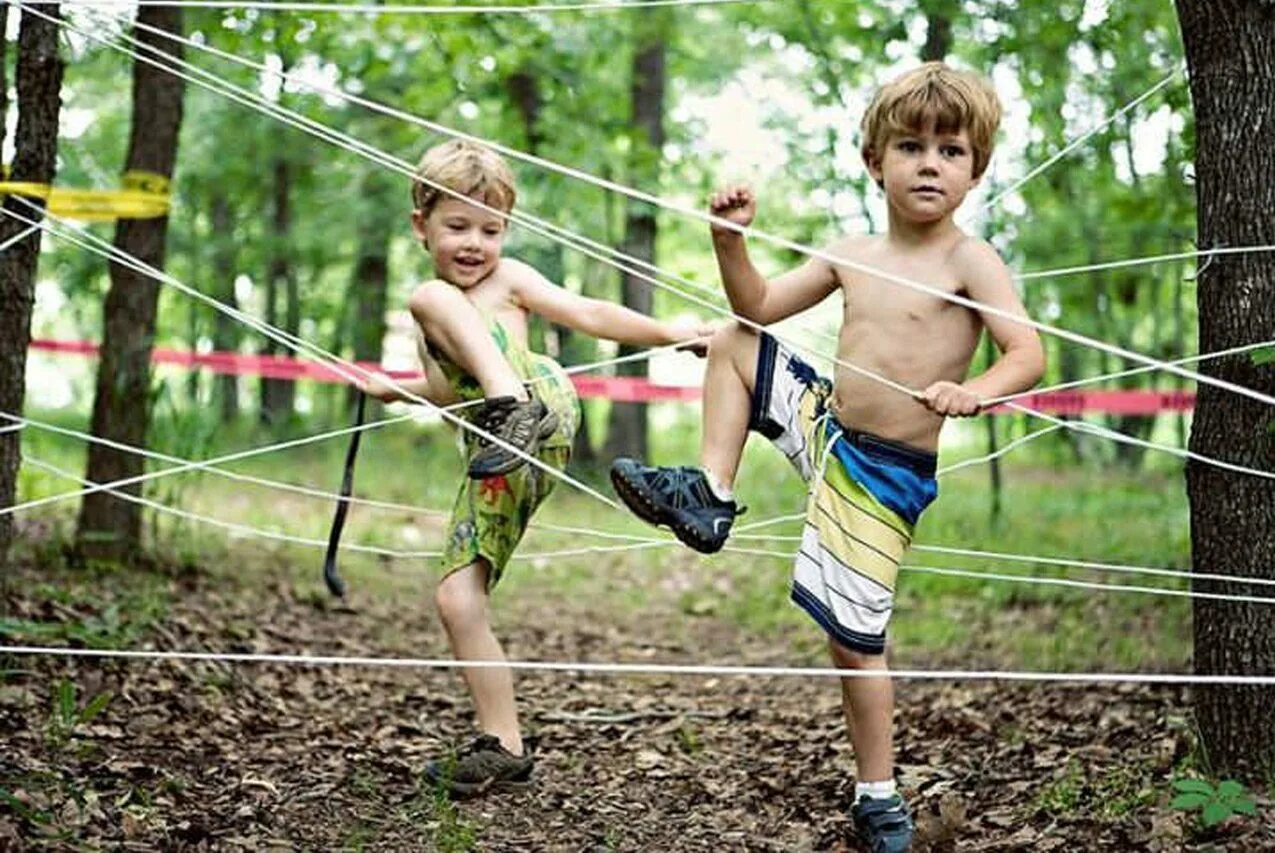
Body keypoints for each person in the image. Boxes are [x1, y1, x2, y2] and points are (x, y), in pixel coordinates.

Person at [609, 62, 1044, 851]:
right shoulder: (851, 251)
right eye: (909, 145)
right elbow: (759, 306)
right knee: (735, 341)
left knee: (853, 640)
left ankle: (877, 792)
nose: (928, 162)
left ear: (975, 170)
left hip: (884, 473)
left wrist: (976, 388)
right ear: (875, 161)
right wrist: (727, 241)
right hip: (827, 431)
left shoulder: (969, 261)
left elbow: (1026, 351)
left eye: (950, 150)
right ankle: (709, 491)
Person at [360, 139, 712, 797]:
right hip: (500, 451)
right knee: (456, 597)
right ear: (420, 224)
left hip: (536, 410)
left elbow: (588, 314)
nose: (475, 243)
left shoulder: (497, 282)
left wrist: (673, 331)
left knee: (427, 295)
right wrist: (396, 390)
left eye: (489, 230)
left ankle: (509, 401)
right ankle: (504, 744)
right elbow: (447, 392)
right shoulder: (433, 320)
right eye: (457, 226)